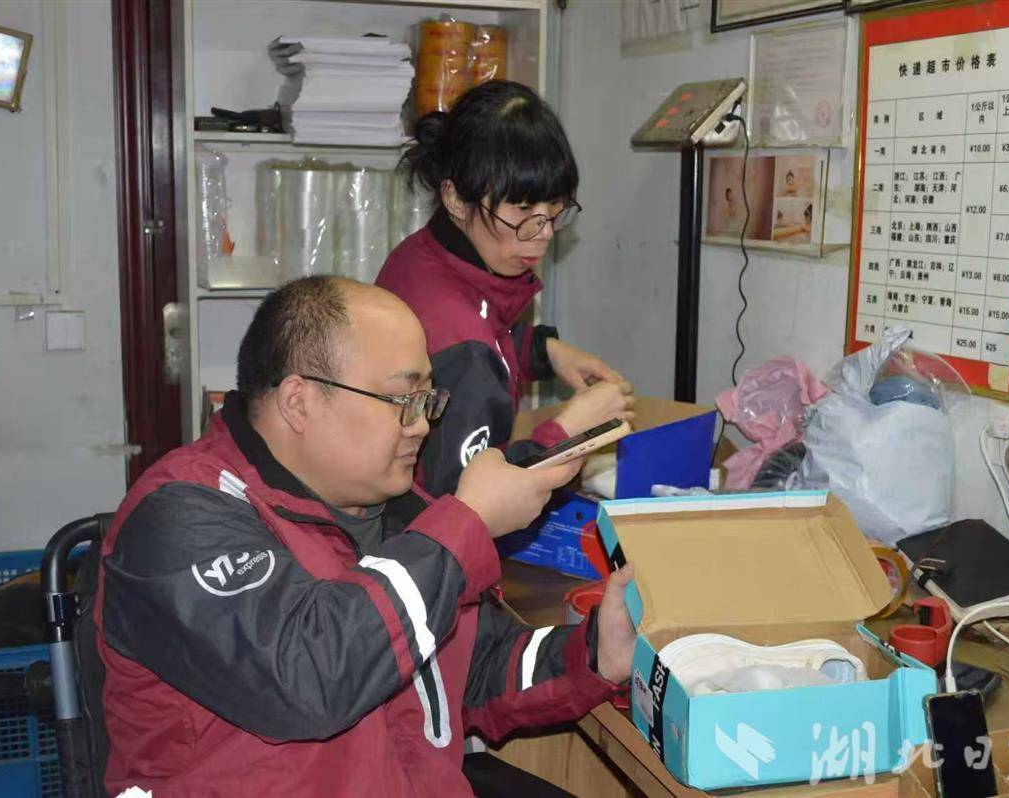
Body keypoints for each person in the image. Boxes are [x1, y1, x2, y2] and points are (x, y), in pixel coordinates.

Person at [96, 276, 637, 797]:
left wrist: (594, 653)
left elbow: (479, 668)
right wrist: (465, 524)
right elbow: (309, 677)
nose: (421, 425)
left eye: (428, 400)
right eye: (403, 400)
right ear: (299, 402)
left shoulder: (396, 510)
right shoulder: (178, 518)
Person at [377, 80, 634, 496]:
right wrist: (571, 430)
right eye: (523, 209)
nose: (543, 233)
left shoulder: (421, 254)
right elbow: (470, 504)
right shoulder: (465, 350)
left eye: (554, 208)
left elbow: (476, 330)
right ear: (456, 199)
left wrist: (541, 351)